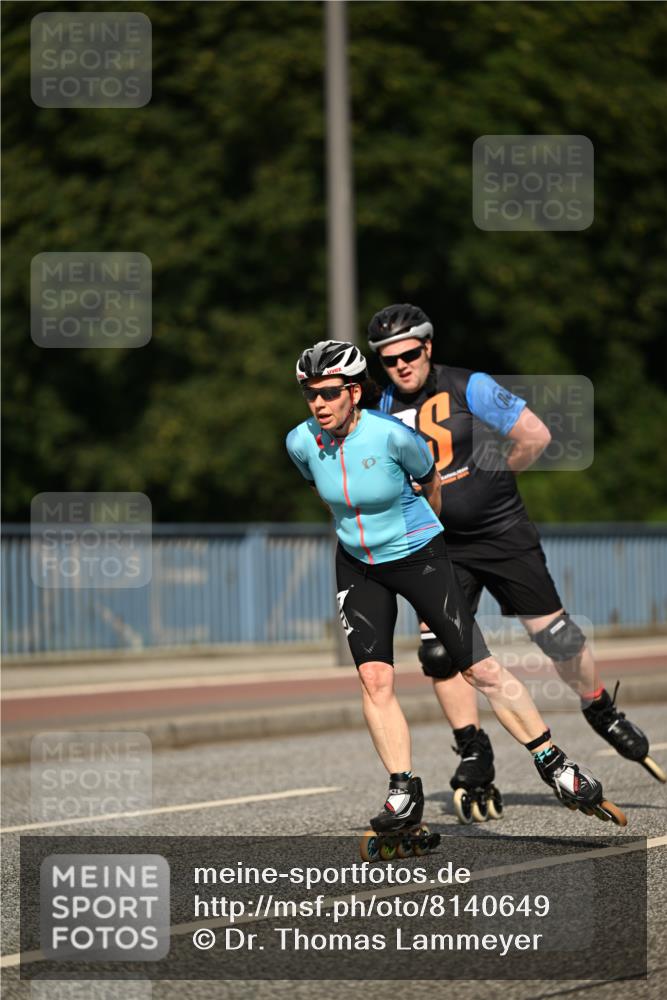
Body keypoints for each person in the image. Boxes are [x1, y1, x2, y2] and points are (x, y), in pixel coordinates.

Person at [286, 339, 626, 851]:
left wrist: (425, 539)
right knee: (374, 677)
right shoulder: (300, 442)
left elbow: (432, 485)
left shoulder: (394, 436)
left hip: (419, 553)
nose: (319, 404)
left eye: (329, 393)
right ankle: (403, 791)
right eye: (310, 394)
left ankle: (556, 765)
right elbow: (327, 495)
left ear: (354, 392)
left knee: (477, 667)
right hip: (357, 564)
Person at [366, 303, 665, 821]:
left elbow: (536, 435)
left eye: (410, 354)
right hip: (438, 544)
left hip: (501, 532)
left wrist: (501, 473)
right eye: (389, 360)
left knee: (558, 637)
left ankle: (598, 705)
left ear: (428, 347)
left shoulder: (469, 386)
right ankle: (473, 748)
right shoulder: (378, 406)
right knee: (439, 654)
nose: (401, 366)